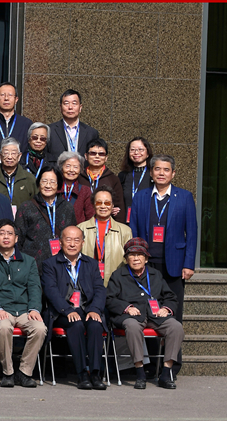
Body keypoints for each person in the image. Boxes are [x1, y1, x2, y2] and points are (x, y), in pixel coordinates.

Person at [0, 220, 45, 388]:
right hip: (0, 310)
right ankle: (8, 372)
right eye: (2, 233)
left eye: (10, 233)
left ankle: (24, 373)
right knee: (4, 326)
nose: (6, 237)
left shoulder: (29, 261)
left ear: (16, 238)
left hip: (24, 310)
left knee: (40, 328)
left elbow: (35, 288)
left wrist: (34, 309)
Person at [108, 238, 183, 389]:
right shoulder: (118, 275)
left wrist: (166, 308)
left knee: (176, 327)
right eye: (132, 255)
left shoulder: (155, 274)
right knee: (132, 327)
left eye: (139, 255)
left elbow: (170, 296)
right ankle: (140, 372)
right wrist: (126, 308)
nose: (136, 258)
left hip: (155, 315)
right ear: (126, 258)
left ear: (146, 259)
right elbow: (109, 299)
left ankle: (166, 373)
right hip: (132, 316)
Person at [130, 155, 197, 320]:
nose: (161, 173)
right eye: (157, 169)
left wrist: (188, 264)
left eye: (166, 170)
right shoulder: (140, 196)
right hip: (147, 262)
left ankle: (174, 338)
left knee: (174, 308)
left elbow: (192, 233)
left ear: (173, 173)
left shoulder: (185, 197)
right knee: (148, 307)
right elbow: (134, 230)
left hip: (175, 263)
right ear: (151, 173)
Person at [45, 225, 110, 390]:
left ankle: (95, 373)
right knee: (76, 325)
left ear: (82, 242)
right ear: (61, 242)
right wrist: (67, 310)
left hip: (87, 308)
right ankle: (81, 374)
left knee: (95, 325)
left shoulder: (91, 263)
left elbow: (99, 289)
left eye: (76, 240)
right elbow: (51, 291)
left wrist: (95, 309)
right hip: (62, 311)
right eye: (68, 240)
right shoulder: (50, 264)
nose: (72, 244)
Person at [19, 170, 76, 261]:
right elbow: (18, 238)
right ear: (38, 183)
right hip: (33, 263)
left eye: (52, 182)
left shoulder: (67, 208)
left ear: (58, 184)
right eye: (44, 181)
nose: (48, 185)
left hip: (61, 262)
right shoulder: (26, 207)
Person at [78, 189, 131, 283]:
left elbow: (128, 260)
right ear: (93, 205)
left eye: (107, 203)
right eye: (99, 203)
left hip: (115, 282)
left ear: (112, 205)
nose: (103, 206)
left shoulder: (125, 231)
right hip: (87, 281)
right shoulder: (81, 229)